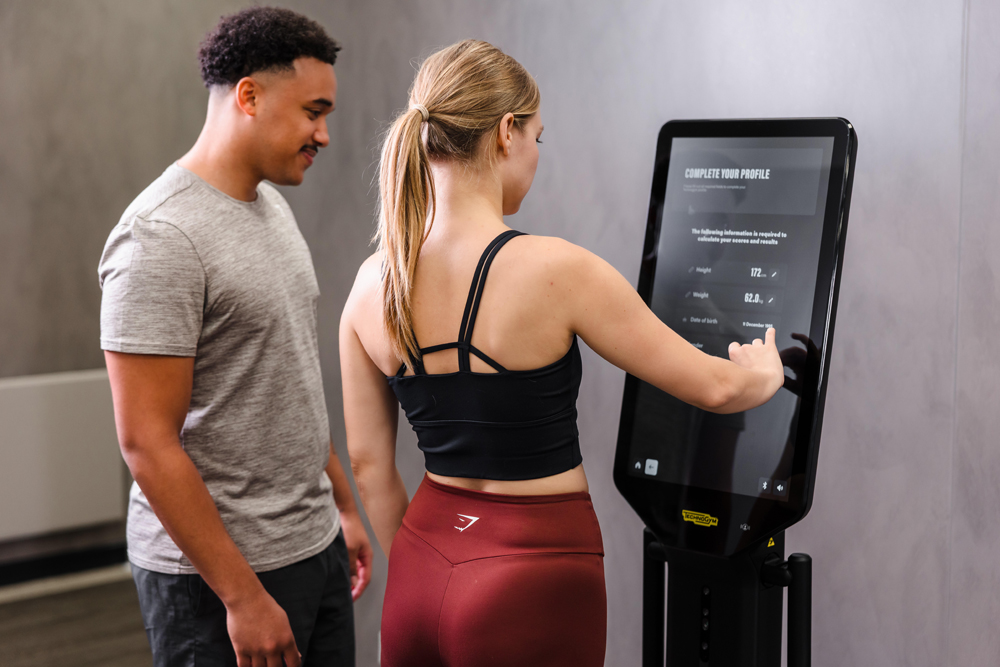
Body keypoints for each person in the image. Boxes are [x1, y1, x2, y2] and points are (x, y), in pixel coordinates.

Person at [339, 39, 785, 666]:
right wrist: (763, 372)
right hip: (533, 576)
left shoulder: (370, 283)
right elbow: (717, 388)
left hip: (420, 570)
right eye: (538, 138)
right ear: (505, 133)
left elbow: (367, 465)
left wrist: (432, 568)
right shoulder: (556, 270)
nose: (536, 156)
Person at [98, 7, 371, 667]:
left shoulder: (269, 205)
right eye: (313, 111)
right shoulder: (159, 236)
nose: (324, 134)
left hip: (312, 546)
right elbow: (146, 442)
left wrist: (341, 504)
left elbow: (289, 375)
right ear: (249, 95)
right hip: (216, 580)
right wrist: (242, 596)